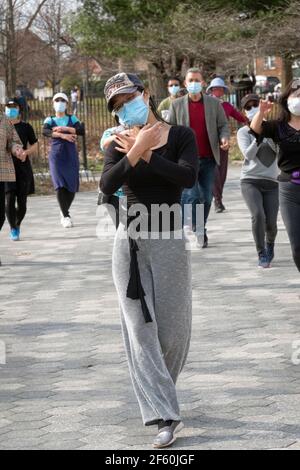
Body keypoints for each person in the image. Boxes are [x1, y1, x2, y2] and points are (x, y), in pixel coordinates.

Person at [100, 72, 198, 448]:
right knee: (141, 332)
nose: (126, 108)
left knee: (172, 332)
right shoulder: (116, 140)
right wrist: (134, 148)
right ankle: (165, 416)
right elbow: (108, 184)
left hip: (169, 235)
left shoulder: (180, 135)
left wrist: (146, 150)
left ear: (144, 93)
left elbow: (186, 178)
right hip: (131, 239)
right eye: (118, 106)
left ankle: (162, 394)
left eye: (129, 98)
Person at [169, 68, 230, 248]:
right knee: (193, 195)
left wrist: (224, 137)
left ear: (203, 83)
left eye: (197, 80)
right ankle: (194, 229)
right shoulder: (177, 105)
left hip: (209, 158)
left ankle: (198, 228)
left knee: (207, 197)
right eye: (191, 80)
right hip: (187, 160)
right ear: (185, 84)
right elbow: (170, 129)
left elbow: (223, 125)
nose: (194, 83)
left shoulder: (214, 104)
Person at [251, 79, 300, 273]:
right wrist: (261, 112)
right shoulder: (278, 126)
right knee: (297, 246)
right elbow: (256, 129)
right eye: (296, 95)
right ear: (287, 99)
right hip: (289, 190)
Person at [237, 94, 279, 268]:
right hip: (250, 181)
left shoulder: (274, 129)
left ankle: (270, 244)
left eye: (255, 105)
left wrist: (267, 132)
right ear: (244, 112)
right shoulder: (243, 132)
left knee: (271, 223)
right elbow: (248, 154)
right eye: (248, 107)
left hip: (272, 182)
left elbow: (280, 151)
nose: (252, 108)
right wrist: (258, 136)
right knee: (258, 215)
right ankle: (261, 252)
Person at [42, 92, 84, 228]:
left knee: (71, 187)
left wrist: (65, 128)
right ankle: (66, 216)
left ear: (66, 104)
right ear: (53, 103)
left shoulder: (72, 118)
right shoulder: (49, 119)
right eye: (57, 100)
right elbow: (45, 131)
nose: (59, 102)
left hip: (70, 155)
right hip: (56, 156)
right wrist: (62, 135)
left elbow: (81, 130)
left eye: (62, 100)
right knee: (60, 185)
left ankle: (63, 210)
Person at [207, 77, 247, 213]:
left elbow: (240, 117)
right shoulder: (206, 104)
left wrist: (254, 121)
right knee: (214, 172)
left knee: (222, 172)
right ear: (211, 90)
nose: (217, 91)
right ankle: (217, 200)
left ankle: (218, 198)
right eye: (215, 89)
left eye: (220, 89)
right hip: (208, 143)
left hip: (223, 142)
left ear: (223, 91)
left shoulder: (227, 106)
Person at [4, 98, 38, 241]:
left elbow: (35, 145)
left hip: (23, 168)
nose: (11, 109)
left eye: (14, 106)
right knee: (9, 199)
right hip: (6, 168)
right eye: (9, 106)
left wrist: (26, 153)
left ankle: (17, 223)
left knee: (22, 202)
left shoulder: (26, 127)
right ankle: (13, 227)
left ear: (19, 109)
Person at [0, 109, 24, 265]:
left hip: (2, 171)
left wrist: (16, 149)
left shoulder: (4, 119)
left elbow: (14, 140)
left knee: (0, 216)